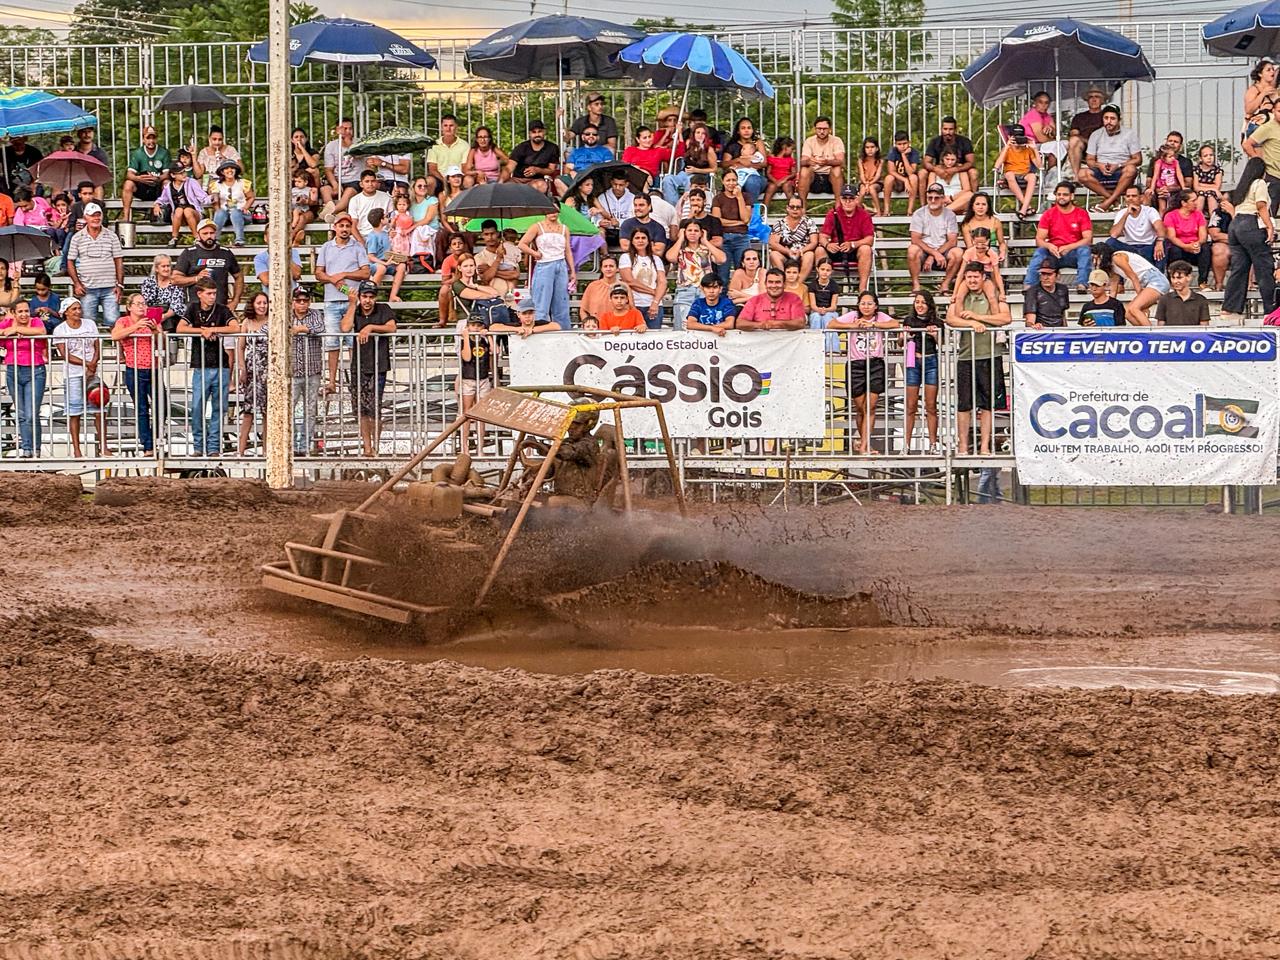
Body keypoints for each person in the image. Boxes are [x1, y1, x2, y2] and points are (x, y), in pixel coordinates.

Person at [946, 262, 1011, 456]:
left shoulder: (993, 295)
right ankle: (963, 446)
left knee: (988, 405)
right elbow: (951, 319)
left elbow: (1005, 318)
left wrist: (978, 317)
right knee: (964, 404)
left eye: (976, 276)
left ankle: (984, 446)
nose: (972, 280)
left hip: (991, 355)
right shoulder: (961, 296)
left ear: (983, 277)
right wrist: (971, 323)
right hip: (966, 356)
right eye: (969, 277)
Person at [825, 290, 897, 453]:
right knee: (859, 407)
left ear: (876, 306)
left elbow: (895, 324)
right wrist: (853, 325)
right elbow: (831, 324)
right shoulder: (852, 316)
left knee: (871, 407)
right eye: (863, 303)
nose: (866, 306)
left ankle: (864, 445)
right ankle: (863, 441)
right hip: (856, 364)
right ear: (858, 305)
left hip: (875, 363)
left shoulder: (880, 317)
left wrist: (873, 325)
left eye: (870, 303)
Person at [177, 276, 238, 457]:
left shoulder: (222, 310)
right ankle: (198, 445)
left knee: (219, 408)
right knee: (197, 407)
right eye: (209, 294)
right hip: (201, 364)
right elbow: (181, 328)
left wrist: (214, 329)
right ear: (200, 294)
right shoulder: (193, 309)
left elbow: (235, 326)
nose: (212, 297)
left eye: (214, 293)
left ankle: (213, 446)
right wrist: (201, 330)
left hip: (221, 365)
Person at [314, 212, 370, 392]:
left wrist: (344, 275)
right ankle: (331, 381)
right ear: (335, 227)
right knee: (332, 341)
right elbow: (318, 273)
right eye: (341, 226)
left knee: (352, 341)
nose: (344, 229)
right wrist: (333, 280)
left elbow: (366, 273)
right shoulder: (326, 247)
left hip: (351, 298)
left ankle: (355, 379)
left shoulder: (358, 247)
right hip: (331, 299)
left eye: (347, 226)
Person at [341, 281, 397, 457]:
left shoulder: (383, 309)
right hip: (359, 365)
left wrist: (370, 328)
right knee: (361, 409)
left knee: (375, 408)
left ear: (376, 298)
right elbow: (344, 328)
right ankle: (367, 447)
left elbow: (392, 327)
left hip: (378, 365)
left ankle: (377, 446)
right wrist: (352, 304)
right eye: (364, 296)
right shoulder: (355, 310)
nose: (367, 300)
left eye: (371, 297)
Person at [53, 295, 108, 458]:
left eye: (79, 308)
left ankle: (103, 446)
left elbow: (97, 344)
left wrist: (94, 362)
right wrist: (87, 363)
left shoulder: (90, 324)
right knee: (75, 411)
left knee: (100, 410)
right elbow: (65, 354)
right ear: (66, 312)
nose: (78, 311)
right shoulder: (60, 330)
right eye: (74, 309)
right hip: (73, 374)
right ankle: (77, 449)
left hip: (92, 373)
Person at [1222, 157, 1275, 323]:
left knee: (1239, 268)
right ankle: (1270, 310)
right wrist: (1269, 227)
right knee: (1264, 266)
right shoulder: (1259, 183)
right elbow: (1261, 206)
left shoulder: (1241, 187)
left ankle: (1230, 309)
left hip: (1235, 225)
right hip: (1251, 223)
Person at [110, 294, 159, 455]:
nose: (141, 307)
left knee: (161, 405)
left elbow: (163, 341)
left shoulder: (151, 320)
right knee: (142, 408)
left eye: (143, 304)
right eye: (138, 304)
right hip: (134, 368)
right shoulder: (123, 321)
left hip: (153, 367)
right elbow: (115, 335)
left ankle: (155, 438)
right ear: (129, 306)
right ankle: (148, 445)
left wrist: (155, 331)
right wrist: (136, 326)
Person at [66, 202, 124, 332]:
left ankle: (118, 351)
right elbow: (70, 261)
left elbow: (119, 261)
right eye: (92, 216)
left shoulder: (112, 236)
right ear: (86, 217)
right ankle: (91, 352)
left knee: (114, 322)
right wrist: (77, 283)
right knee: (88, 324)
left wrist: (120, 284)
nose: (96, 218)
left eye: (98, 215)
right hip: (88, 288)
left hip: (110, 287)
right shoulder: (77, 237)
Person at [0, 301, 47, 458]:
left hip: (35, 369)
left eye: (26, 311)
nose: (24, 314)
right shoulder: (6, 323)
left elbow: (41, 331)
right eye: (20, 311)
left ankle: (36, 449)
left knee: (31, 413)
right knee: (20, 413)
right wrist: (10, 330)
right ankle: (27, 449)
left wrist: (17, 329)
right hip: (14, 370)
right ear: (13, 312)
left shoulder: (36, 322)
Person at [1025, 181, 1092, 291]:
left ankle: (1082, 284)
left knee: (1084, 250)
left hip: (1073, 253)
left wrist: (1069, 247)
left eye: (1065, 195)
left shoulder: (1081, 213)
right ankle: (1029, 285)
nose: (1061, 197)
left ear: (1072, 196)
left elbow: (1088, 239)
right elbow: (1039, 240)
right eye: (1059, 194)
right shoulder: (1048, 214)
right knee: (1040, 252)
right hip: (1053, 254)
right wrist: (1049, 246)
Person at [518, 206, 574, 330]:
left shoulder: (564, 229)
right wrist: (534, 253)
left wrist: (572, 271)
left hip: (561, 264)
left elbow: (568, 251)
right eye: (550, 210)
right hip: (544, 264)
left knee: (561, 302)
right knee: (541, 302)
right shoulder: (537, 226)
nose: (553, 213)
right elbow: (522, 244)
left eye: (555, 210)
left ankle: (564, 332)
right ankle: (539, 330)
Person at [1077, 105, 1142, 212]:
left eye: (1112, 119)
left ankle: (1106, 203)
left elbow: (1138, 159)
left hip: (1121, 171)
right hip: (1101, 171)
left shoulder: (1130, 134)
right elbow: (1089, 160)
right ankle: (1114, 201)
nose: (1109, 121)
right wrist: (1099, 165)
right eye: (1106, 118)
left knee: (1131, 169)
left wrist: (1119, 165)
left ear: (1119, 120)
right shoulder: (1096, 134)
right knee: (1081, 174)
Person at [901, 289, 941, 453]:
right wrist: (904, 335)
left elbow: (942, 342)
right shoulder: (908, 319)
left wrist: (934, 334)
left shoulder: (937, 321)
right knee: (910, 406)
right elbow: (900, 342)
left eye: (923, 302)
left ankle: (932, 444)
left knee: (931, 405)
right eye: (917, 302)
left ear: (929, 305)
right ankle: (906, 444)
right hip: (913, 361)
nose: (920, 305)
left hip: (931, 360)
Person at [287, 286, 325, 456]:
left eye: (305, 300)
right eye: (298, 300)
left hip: (312, 370)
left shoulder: (315, 314)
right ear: (293, 302)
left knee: (310, 410)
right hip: (293, 371)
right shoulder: (286, 314)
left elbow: (320, 329)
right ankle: (291, 444)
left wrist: (302, 329)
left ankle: (303, 445)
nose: (302, 303)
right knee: (290, 409)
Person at [667, 219, 725, 329]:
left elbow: (722, 259)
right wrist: (680, 239)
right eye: (689, 230)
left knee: (705, 324)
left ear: (701, 233)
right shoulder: (681, 250)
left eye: (696, 230)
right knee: (682, 327)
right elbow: (670, 257)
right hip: (685, 290)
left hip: (705, 292)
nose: (693, 233)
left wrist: (706, 241)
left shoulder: (706, 249)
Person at [1092, 242, 1169, 326]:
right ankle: (1144, 333)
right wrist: (1109, 305)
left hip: (1156, 280)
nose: (1095, 261)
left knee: (1134, 308)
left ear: (1102, 255)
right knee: (1127, 313)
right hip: (1148, 284)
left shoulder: (1117, 257)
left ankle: (1152, 334)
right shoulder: (1112, 267)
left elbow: (1134, 277)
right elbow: (1114, 289)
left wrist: (1143, 302)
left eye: (1097, 258)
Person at [173, 219, 243, 309]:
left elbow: (239, 276)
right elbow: (175, 279)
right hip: (195, 308)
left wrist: (235, 301)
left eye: (212, 233)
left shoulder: (225, 252)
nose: (209, 236)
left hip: (220, 307)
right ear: (198, 235)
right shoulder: (189, 253)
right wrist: (196, 278)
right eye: (205, 233)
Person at [820, 185, 875, 291]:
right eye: (845, 198)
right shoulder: (832, 214)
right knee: (819, 250)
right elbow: (822, 236)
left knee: (866, 249)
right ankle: (822, 287)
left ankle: (862, 288)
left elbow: (869, 239)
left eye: (851, 198)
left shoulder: (864, 215)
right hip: (836, 249)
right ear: (840, 199)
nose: (848, 202)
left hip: (855, 250)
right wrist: (828, 244)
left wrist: (853, 244)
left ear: (857, 199)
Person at [907, 184, 961, 289]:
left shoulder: (950, 215)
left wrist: (934, 255)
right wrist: (934, 253)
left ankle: (945, 284)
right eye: (930, 198)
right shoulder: (919, 214)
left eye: (936, 198)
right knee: (912, 250)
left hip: (943, 252)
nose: (932, 200)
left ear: (943, 199)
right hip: (924, 252)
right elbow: (915, 239)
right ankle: (916, 284)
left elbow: (952, 241)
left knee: (958, 253)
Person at [236, 292, 270, 455]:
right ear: (253, 304)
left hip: (268, 369)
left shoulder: (273, 321)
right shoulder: (247, 322)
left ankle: (266, 450)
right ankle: (240, 450)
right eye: (259, 303)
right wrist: (242, 368)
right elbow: (240, 347)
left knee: (267, 412)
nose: (262, 306)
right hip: (251, 369)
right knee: (248, 411)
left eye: (265, 303)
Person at [457, 311, 495, 451]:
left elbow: (495, 351)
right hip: (469, 379)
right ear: (468, 326)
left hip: (483, 378)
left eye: (478, 325)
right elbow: (466, 357)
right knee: (466, 412)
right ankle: (464, 444)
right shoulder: (464, 340)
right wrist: (466, 338)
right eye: (473, 325)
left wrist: (489, 337)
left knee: (481, 413)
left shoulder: (484, 339)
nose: (476, 328)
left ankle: (480, 445)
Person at [617, 229, 666, 329]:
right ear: (632, 241)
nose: (640, 240)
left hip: (654, 305)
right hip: (634, 304)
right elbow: (630, 281)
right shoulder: (626, 257)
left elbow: (662, 281)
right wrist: (653, 291)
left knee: (654, 339)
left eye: (643, 238)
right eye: (637, 238)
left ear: (649, 241)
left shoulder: (656, 259)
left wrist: (655, 302)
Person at [1108, 185, 1167, 266]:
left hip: (1148, 247)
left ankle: (1160, 275)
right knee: (1110, 242)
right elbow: (1114, 234)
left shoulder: (1150, 211)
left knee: (1163, 243)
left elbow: (1160, 228)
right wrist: (1126, 214)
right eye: (1128, 196)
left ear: (1141, 198)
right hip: (1130, 248)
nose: (1130, 198)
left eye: (1134, 196)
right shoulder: (1122, 213)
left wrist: (1159, 241)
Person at [121, 126, 170, 222]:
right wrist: (140, 178)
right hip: (143, 186)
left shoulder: (164, 152)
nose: (151, 141)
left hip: (157, 187)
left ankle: (166, 214)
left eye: (153, 138)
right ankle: (126, 216)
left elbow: (167, 174)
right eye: (148, 138)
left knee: (167, 183)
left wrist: (158, 178)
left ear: (157, 139)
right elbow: (129, 174)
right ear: (143, 139)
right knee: (128, 184)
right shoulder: (138, 153)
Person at [1163, 189, 1210, 287]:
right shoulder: (1171, 216)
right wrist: (1185, 246)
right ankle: (1175, 280)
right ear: (1184, 203)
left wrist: (1197, 244)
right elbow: (1172, 237)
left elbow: (1203, 236)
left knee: (1205, 248)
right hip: (1179, 246)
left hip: (1194, 246)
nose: (1196, 203)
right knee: (1175, 250)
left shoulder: (1198, 214)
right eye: (1193, 200)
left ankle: (1202, 281)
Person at [662, 123, 717, 206]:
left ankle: (686, 206)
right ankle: (673, 206)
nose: (700, 135)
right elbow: (680, 151)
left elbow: (714, 169)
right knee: (667, 179)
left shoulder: (709, 150)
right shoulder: (689, 144)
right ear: (693, 134)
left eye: (703, 133)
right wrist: (680, 133)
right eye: (697, 133)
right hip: (683, 174)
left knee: (690, 181)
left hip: (699, 176)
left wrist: (696, 170)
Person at [152, 165, 208, 244]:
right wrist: (157, 204)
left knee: (187, 210)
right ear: (173, 175)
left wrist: (212, 198)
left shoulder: (191, 182)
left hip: (194, 214)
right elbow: (162, 199)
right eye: (180, 173)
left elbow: (202, 197)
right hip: (179, 216)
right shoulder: (168, 187)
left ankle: (197, 237)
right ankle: (174, 238)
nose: (184, 174)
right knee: (179, 210)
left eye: (184, 172)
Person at [736, 268, 806, 330]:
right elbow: (740, 323)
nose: (774, 286)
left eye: (778, 282)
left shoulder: (794, 299)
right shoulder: (754, 300)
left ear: (784, 284)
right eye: (770, 282)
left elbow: (800, 322)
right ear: (765, 284)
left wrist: (774, 324)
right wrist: (759, 325)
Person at [711, 170, 752, 278]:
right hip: (724, 238)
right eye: (728, 180)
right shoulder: (718, 198)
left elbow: (746, 218)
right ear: (723, 181)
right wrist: (738, 222)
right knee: (723, 274)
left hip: (741, 238)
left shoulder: (745, 197)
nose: (731, 183)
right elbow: (717, 221)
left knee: (743, 272)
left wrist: (739, 197)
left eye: (734, 180)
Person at [994, 125, 1039, 219]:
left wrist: (1035, 148)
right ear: (1010, 137)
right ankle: (1027, 207)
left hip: (1025, 174)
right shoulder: (1007, 149)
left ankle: (1023, 209)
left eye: (1020, 137)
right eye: (1016, 137)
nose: (1018, 140)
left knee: (1033, 177)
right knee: (1009, 174)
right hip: (1011, 175)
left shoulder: (1028, 149)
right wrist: (1007, 147)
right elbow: (997, 166)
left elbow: (1040, 166)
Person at [922, 117, 977, 193]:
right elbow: (926, 162)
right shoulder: (935, 141)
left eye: (950, 129)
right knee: (922, 173)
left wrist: (956, 169)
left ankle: (974, 200)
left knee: (973, 173)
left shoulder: (965, 141)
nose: (948, 132)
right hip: (940, 170)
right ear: (941, 129)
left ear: (955, 129)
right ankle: (924, 204)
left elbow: (971, 162)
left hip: (961, 170)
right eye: (945, 129)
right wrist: (936, 169)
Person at [770, 196, 819, 279]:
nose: (795, 209)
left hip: (803, 253)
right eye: (792, 207)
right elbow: (773, 243)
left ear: (802, 209)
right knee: (774, 254)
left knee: (810, 255)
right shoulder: (780, 223)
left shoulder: (809, 222)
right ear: (787, 208)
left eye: (798, 207)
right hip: (785, 254)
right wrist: (787, 251)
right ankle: (783, 281)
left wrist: (801, 251)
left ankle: (798, 284)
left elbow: (814, 242)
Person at [720, 118, 767, 203]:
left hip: (756, 177)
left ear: (753, 130)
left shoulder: (757, 143)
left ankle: (752, 211)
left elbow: (764, 163)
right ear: (738, 131)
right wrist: (738, 160)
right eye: (743, 128)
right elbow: (724, 164)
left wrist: (746, 164)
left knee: (751, 181)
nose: (746, 130)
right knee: (733, 183)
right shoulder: (732, 145)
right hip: (737, 177)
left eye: (749, 128)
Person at [798, 116, 845, 200]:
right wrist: (809, 161)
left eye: (825, 129)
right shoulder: (809, 141)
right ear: (815, 129)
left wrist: (827, 162)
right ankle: (802, 208)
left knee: (837, 169)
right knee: (804, 170)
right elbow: (802, 162)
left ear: (830, 129)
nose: (822, 131)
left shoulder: (836, 140)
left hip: (831, 179)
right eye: (819, 128)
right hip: (813, 179)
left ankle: (838, 206)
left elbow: (841, 161)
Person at [508, 120, 560, 194]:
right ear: (529, 134)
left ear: (544, 132)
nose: (537, 134)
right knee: (506, 185)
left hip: (536, 181)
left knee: (542, 186)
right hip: (517, 180)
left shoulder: (552, 148)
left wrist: (537, 170)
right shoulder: (521, 147)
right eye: (534, 132)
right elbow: (510, 167)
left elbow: (551, 169)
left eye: (539, 131)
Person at [209, 160, 254, 246]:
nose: (230, 170)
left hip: (241, 215)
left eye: (232, 168)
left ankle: (239, 240)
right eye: (226, 168)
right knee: (220, 213)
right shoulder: (216, 184)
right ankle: (214, 239)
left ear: (236, 170)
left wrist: (245, 208)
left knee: (235, 212)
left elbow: (251, 197)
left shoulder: (243, 183)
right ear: (222, 171)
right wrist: (218, 211)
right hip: (224, 216)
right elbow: (215, 201)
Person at [1018, 90, 1065, 170]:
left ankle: (1056, 172)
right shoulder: (1033, 114)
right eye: (1040, 102)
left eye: (1046, 103)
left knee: (1065, 144)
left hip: (1040, 144)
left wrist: (1051, 129)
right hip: (1030, 145)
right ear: (1035, 103)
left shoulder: (1047, 116)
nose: (1043, 105)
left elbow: (1057, 133)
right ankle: (1051, 173)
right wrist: (1053, 139)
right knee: (1057, 145)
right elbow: (1041, 138)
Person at [473, 219, 521, 296]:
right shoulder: (479, 257)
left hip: (510, 297)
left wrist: (489, 269)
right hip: (492, 299)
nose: (490, 237)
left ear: (498, 233)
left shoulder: (509, 251)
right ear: (482, 235)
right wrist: (498, 259)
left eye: (492, 233)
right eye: (486, 234)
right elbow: (485, 278)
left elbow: (515, 275)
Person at [1155, 260, 1210, 327]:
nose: (1175, 281)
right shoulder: (1164, 299)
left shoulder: (1201, 300)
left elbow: (1204, 328)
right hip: (1171, 337)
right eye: (1173, 278)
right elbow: (1160, 328)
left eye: (1179, 278)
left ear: (1189, 277)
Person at [322, 118, 360, 212]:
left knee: (349, 191)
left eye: (350, 129)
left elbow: (357, 153)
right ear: (337, 130)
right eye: (344, 129)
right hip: (337, 179)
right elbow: (328, 169)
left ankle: (331, 211)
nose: (348, 131)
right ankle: (330, 212)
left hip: (354, 179)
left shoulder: (359, 143)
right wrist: (335, 184)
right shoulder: (331, 146)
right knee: (325, 189)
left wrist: (347, 141)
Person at [1067, 86, 1107, 176]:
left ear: (1102, 100)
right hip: (1084, 148)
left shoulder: (1107, 116)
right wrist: (1088, 142)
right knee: (1073, 141)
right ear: (1087, 100)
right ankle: (1077, 176)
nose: (1094, 99)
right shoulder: (1079, 117)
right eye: (1091, 97)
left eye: (1097, 97)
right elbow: (1074, 134)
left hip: (1102, 147)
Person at [580, 255, 629, 325]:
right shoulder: (593, 286)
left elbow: (631, 309)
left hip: (618, 329)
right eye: (605, 266)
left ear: (617, 268)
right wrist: (588, 325)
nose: (608, 269)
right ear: (601, 269)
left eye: (611, 266)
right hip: (597, 330)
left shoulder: (624, 286)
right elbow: (583, 310)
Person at [347, 168, 392, 244]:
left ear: (377, 182)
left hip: (383, 235)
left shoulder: (387, 197)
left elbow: (392, 219)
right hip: (362, 235)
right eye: (367, 181)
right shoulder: (355, 200)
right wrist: (361, 242)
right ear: (361, 184)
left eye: (373, 181)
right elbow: (353, 226)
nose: (370, 184)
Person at [1023, 258, 1070, 328]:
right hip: (1041, 332)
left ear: (1057, 275)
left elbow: (1062, 315)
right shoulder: (1032, 291)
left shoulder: (1063, 289)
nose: (1045, 278)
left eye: (1049, 274)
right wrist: (1034, 326)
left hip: (1059, 331)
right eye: (1043, 274)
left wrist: (1066, 331)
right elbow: (1029, 320)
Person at [961, 193, 1008, 264]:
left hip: (992, 251)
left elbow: (1002, 243)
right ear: (972, 207)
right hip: (974, 252)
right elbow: (970, 246)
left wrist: (1002, 253)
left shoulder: (995, 222)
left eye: (983, 204)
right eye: (977, 204)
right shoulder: (967, 224)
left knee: (992, 254)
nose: (980, 207)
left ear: (988, 206)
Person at [883, 130, 922, 213]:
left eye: (904, 143)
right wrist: (905, 180)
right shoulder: (893, 151)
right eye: (899, 144)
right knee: (889, 178)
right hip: (897, 181)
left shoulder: (914, 153)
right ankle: (886, 209)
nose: (902, 146)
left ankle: (910, 209)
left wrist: (903, 156)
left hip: (910, 184)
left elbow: (911, 172)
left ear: (909, 143)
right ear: (896, 144)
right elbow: (891, 171)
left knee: (914, 177)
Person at [427, 115, 470, 186]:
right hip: (440, 178)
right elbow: (432, 169)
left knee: (468, 180)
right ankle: (430, 198)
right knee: (429, 180)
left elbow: (464, 168)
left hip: (458, 178)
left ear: (456, 127)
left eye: (451, 125)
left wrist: (454, 179)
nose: (448, 128)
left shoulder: (464, 145)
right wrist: (444, 181)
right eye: (445, 125)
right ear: (441, 127)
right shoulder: (434, 145)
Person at [929, 148, 975, 214]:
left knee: (970, 195)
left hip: (957, 200)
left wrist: (951, 198)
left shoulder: (960, 169)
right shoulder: (935, 171)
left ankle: (945, 211)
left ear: (957, 160)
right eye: (947, 159)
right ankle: (945, 210)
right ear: (942, 158)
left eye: (953, 160)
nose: (950, 162)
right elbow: (930, 189)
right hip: (940, 199)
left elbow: (966, 189)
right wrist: (943, 198)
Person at [1244, 59, 1279, 141]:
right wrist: (1262, 94)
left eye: (1273, 70)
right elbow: (1248, 109)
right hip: (1258, 127)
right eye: (1268, 70)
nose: (1272, 72)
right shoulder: (1254, 89)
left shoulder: (1274, 90)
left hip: (1272, 128)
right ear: (1260, 74)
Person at [597, 170, 636, 244]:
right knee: (600, 232)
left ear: (626, 184)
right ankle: (605, 255)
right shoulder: (602, 197)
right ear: (611, 182)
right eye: (615, 184)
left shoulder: (633, 198)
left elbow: (634, 219)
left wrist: (619, 223)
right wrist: (600, 222)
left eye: (621, 185)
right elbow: (596, 218)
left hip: (626, 232)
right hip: (607, 232)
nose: (617, 187)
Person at [806, 258, 841, 339]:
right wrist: (819, 310)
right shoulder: (812, 285)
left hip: (830, 311)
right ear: (817, 269)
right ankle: (814, 343)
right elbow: (813, 305)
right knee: (816, 317)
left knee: (827, 318)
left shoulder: (834, 285)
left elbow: (833, 306)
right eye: (822, 269)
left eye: (828, 270)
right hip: (816, 311)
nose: (825, 272)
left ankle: (831, 348)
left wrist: (826, 310)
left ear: (832, 271)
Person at [1146, 142, 1185, 213]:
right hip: (1161, 187)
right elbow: (1155, 175)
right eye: (1170, 157)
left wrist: (1183, 187)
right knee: (1163, 207)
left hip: (1172, 186)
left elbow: (1179, 175)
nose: (1173, 158)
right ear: (1163, 157)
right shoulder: (1159, 162)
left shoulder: (1175, 162)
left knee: (1171, 207)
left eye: (1173, 156)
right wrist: (1152, 188)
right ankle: (1161, 220)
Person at [855, 138, 885, 216]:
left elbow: (878, 175)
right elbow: (861, 174)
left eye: (872, 147)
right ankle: (857, 211)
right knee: (862, 190)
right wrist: (866, 183)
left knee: (872, 189)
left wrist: (869, 184)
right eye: (867, 147)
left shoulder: (880, 161)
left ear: (877, 148)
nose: (870, 150)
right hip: (864, 182)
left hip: (876, 182)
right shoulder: (861, 160)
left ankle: (878, 211)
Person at [762, 136, 797, 204]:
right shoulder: (772, 158)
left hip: (786, 181)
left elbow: (793, 173)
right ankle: (763, 211)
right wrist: (776, 181)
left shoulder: (790, 160)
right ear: (785, 147)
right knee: (771, 187)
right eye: (792, 149)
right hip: (774, 181)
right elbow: (768, 173)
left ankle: (793, 206)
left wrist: (784, 179)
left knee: (787, 186)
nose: (792, 151)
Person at [1193, 144, 1224, 214]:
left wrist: (1201, 185)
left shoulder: (1218, 170)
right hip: (1199, 195)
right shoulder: (1196, 169)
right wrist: (1213, 188)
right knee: (1201, 195)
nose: (1209, 158)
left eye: (1211, 155)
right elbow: (1196, 187)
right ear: (1200, 158)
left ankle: (1213, 219)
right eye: (1205, 156)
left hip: (1213, 195)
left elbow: (1217, 187)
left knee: (1210, 195)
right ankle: (1197, 218)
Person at [290, 169, 319, 245]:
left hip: (304, 209)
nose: (297, 183)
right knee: (294, 213)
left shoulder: (310, 190)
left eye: (299, 182)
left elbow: (314, 201)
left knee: (300, 216)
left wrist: (305, 201)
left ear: (306, 182)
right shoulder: (292, 190)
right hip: (293, 208)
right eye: (295, 181)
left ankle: (292, 235)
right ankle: (295, 238)